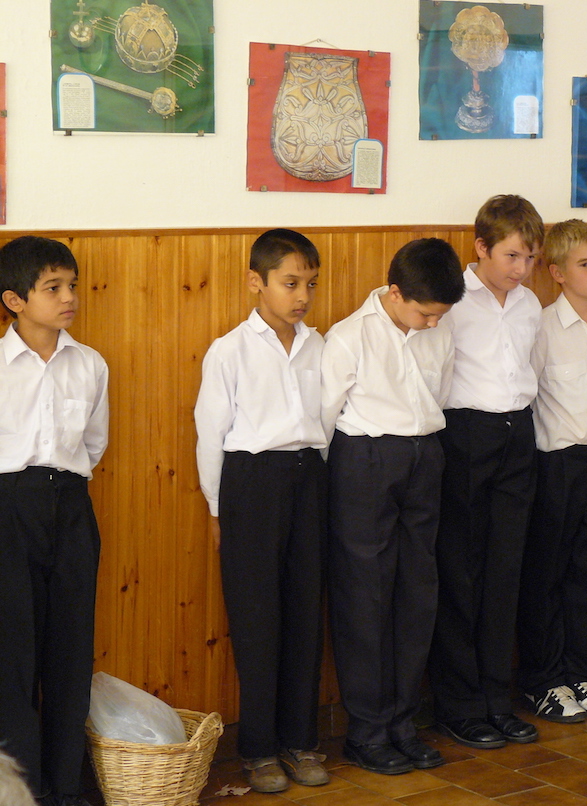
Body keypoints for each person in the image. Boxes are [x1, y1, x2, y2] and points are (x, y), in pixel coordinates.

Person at [321, 238, 465, 775]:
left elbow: (439, 395)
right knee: (365, 597)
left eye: (440, 315)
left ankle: (403, 724)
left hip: (425, 455)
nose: (433, 324)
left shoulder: (438, 330)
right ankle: (367, 731)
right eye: (425, 313)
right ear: (395, 292)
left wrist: (418, 445)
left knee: (417, 594)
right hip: (364, 459)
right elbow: (324, 418)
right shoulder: (348, 336)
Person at [194, 229, 328, 793]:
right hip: (250, 484)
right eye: (290, 283)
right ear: (257, 282)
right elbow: (210, 433)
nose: (302, 296)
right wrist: (217, 508)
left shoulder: (319, 346)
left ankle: (301, 740)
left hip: (310, 478)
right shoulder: (230, 350)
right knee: (256, 619)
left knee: (305, 612)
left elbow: (330, 419)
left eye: (310, 285)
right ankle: (258, 749)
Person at [428, 194, 544, 749]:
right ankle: (459, 705)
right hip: (465, 434)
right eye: (511, 256)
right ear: (480, 248)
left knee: (505, 572)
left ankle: (498, 699)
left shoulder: (529, 305)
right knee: (461, 572)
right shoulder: (453, 300)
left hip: (517, 435)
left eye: (530, 258)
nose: (521, 269)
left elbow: (529, 370)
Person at [0, 236, 109, 806]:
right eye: (53, 288)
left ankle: (66, 789)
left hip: (70, 508)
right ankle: (23, 793)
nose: (69, 297)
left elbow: (93, 444)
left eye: (72, 286)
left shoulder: (89, 364)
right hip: (7, 511)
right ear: (15, 300)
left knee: (69, 654)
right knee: (13, 657)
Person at [517, 219, 587, 722]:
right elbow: (528, 396)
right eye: (584, 264)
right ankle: (544, 680)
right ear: (557, 273)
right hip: (558, 465)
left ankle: (581, 674)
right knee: (549, 577)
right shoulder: (541, 328)